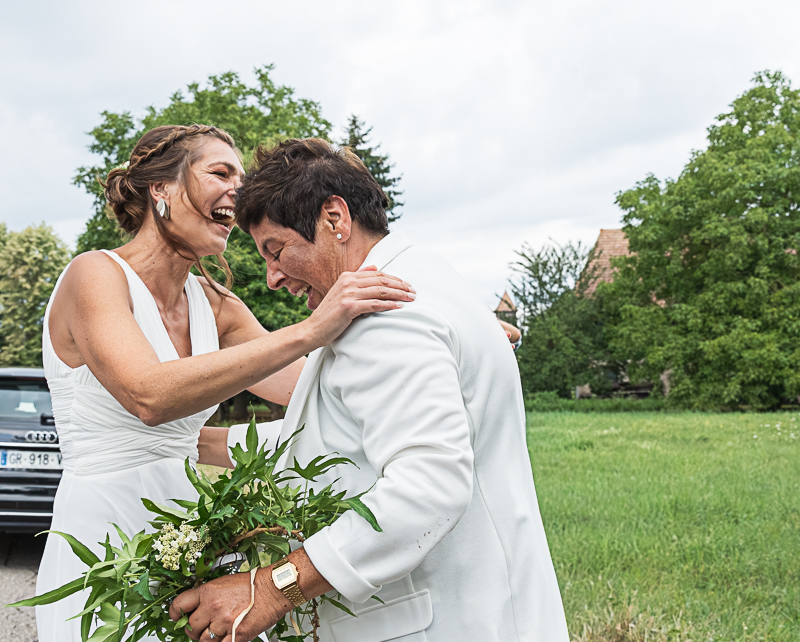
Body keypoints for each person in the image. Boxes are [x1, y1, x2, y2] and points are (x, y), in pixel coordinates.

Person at [170, 138, 569, 641]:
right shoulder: (422, 276)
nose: (271, 278)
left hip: (442, 622)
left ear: (334, 219)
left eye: (276, 250)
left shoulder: (384, 316)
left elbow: (428, 484)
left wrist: (274, 586)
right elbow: (339, 442)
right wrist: (196, 442)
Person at [35, 125, 415, 642]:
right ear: (161, 190)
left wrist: (437, 334)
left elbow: (318, 390)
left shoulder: (217, 305)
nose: (239, 189)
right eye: (221, 172)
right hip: (102, 532)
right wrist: (311, 328)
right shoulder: (94, 276)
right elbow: (149, 395)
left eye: (241, 175)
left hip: (191, 533)